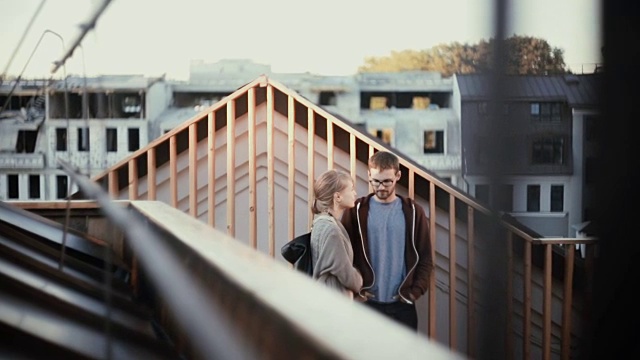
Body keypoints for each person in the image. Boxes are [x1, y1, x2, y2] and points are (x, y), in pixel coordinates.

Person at [341, 151, 434, 330]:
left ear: (398, 176)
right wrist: (356, 290)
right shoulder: (356, 211)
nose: (381, 187)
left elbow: (425, 258)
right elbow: (344, 255)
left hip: (402, 304)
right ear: (368, 175)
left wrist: (414, 293)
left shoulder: (413, 212)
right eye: (375, 181)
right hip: (366, 303)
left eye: (387, 181)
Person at [310, 169, 363, 299]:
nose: (355, 193)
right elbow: (347, 275)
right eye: (351, 189)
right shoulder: (331, 230)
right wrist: (359, 280)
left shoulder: (321, 222)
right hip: (332, 301)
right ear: (338, 196)